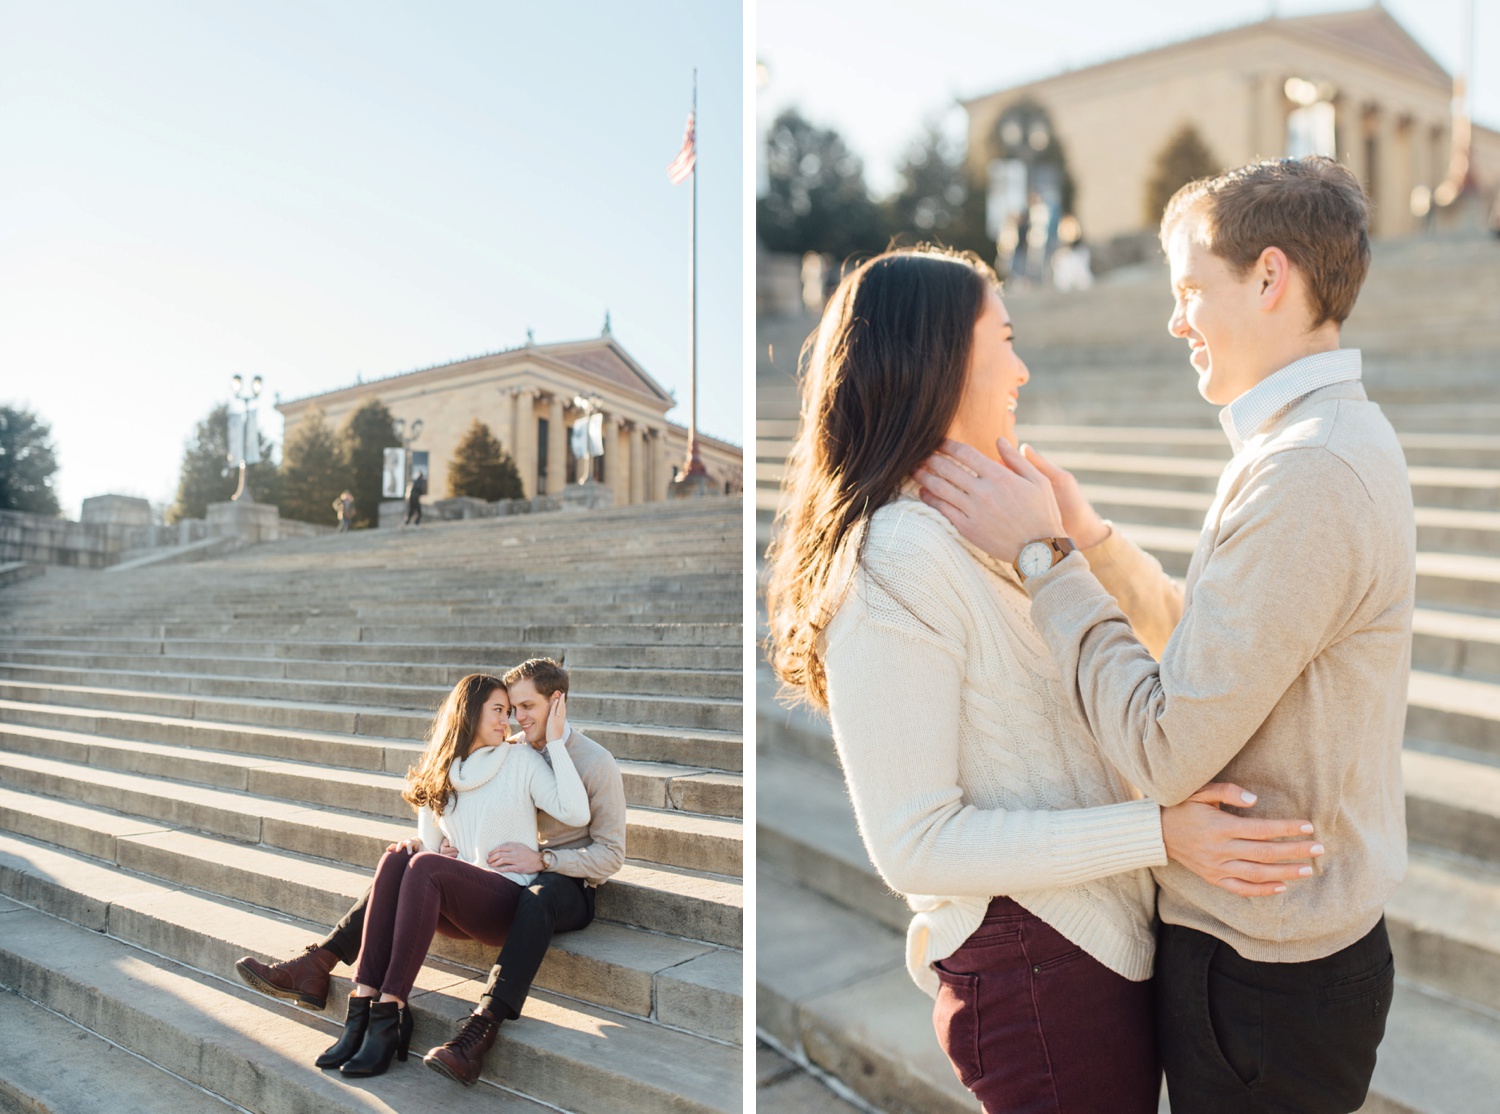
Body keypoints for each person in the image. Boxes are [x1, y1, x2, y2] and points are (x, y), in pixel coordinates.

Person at [764, 245, 1323, 1113]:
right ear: (939, 357)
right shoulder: (897, 555)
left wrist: (1074, 539)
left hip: (1080, 952)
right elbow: (913, 842)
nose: (1022, 369)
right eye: (1006, 339)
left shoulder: (983, 523)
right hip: (1035, 969)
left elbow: (1164, 645)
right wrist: (1160, 833)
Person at [916, 157, 1413, 1113]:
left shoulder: (1308, 473)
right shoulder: (1316, 440)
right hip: (1277, 957)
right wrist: (1093, 541)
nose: (1176, 319)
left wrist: (1044, 564)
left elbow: (1167, 749)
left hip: (1263, 973)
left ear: (1271, 278)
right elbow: (1215, 646)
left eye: (1191, 289)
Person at [238, 660, 624, 1083]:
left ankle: (476, 1027)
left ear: (557, 703)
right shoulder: (510, 750)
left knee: (537, 895)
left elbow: (610, 855)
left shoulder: (593, 761)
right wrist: (438, 846)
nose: (516, 718)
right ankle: (328, 972)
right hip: (505, 874)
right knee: (402, 859)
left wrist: (545, 861)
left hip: (566, 880)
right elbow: (478, 815)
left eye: (525, 707)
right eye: (508, 709)